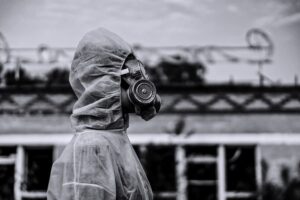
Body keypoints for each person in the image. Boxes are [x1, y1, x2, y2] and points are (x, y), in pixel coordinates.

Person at [47, 28, 161, 200]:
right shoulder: (93, 147)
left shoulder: (112, 139)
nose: (140, 81)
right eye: (132, 74)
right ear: (104, 82)